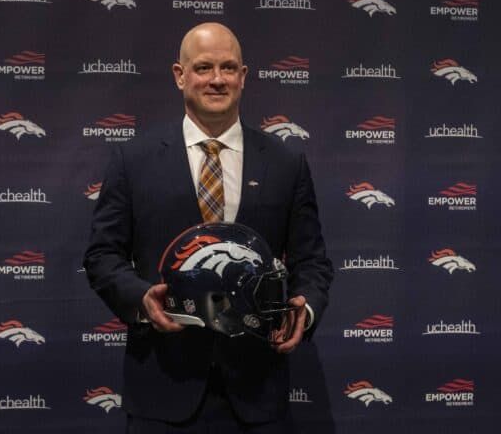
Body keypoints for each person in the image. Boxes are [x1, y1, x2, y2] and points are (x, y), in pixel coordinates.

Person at [83, 22, 333, 433]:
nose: (217, 80)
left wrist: (304, 310)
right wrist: (142, 299)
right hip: (163, 390)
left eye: (228, 68)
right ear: (180, 75)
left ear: (244, 77)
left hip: (258, 394)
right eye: (203, 68)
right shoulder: (133, 161)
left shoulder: (286, 164)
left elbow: (312, 262)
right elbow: (102, 257)